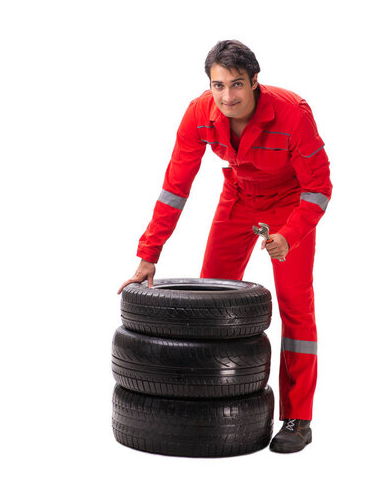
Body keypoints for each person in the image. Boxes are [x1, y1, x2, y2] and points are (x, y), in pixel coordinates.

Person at [117, 39, 333, 454]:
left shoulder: (292, 114)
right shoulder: (200, 113)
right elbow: (174, 189)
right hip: (238, 198)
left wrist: (289, 234)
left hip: (290, 205)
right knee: (211, 302)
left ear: (255, 81)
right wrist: (149, 254)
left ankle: (298, 418)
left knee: (295, 306)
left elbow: (319, 188)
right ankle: (209, 400)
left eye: (236, 84)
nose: (228, 96)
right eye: (218, 85)